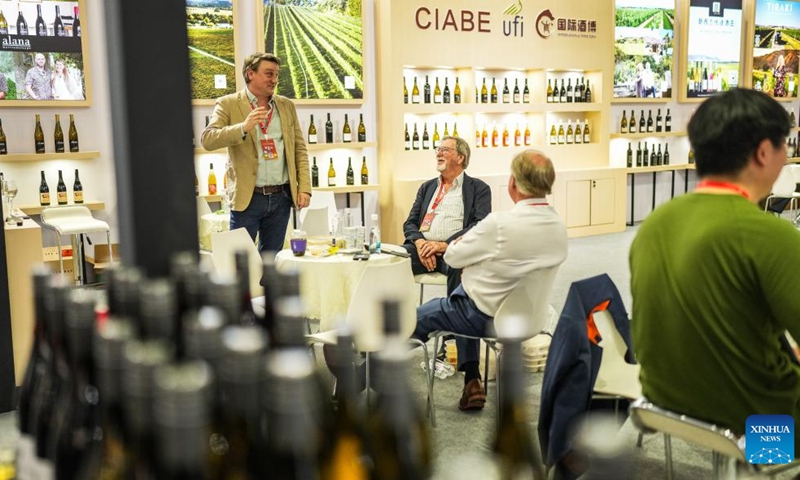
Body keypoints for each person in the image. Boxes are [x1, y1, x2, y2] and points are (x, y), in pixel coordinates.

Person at [630, 88, 800, 444]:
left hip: (667, 411)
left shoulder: (656, 223)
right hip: (761, 433)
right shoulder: (771, 235)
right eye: (786, 145)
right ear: (764, 151)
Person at [412, 150, 568, 410]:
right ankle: (471, 379)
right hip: (530, 319)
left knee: (416, 319)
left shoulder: (499, 224)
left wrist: (467, 256)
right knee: (461, 294)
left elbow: (452, 256)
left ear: (513, 183)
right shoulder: (559, 227)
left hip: (484, 317)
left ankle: (361, 376)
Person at [201, 52, 311, 252]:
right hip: (247, 198)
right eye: (269, 74)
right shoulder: (228, 103)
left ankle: (268, 285)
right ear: (250, 74)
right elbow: (208, 139)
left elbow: (299, 149)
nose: (275, 80)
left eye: (277, 74)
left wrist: (304, 187)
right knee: (240, 263)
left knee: (272, 261)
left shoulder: (286, 106)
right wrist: (243, 127)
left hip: (281, 198)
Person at [402, 136, 491, 295]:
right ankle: (397, 314)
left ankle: (453, 315)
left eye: (445, 150)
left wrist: (444, 245)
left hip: (454, 250)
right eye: (438, 150)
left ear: (460, 157)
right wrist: (421, 243)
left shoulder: (479, 188)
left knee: (459, 265)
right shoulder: (427, 187)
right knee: (394, 261)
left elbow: (480, 224)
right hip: (423, 250)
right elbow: (410, 223)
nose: (438, 154)